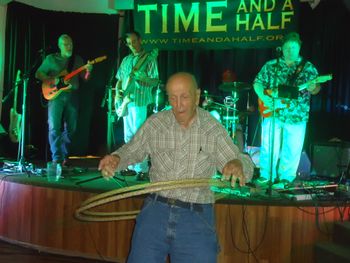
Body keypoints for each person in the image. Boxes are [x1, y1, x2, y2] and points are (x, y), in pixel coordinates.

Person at [99, 72, 254, 262]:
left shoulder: (211, 128)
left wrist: (237, 165)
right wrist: (116, 158)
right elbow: (132, 150)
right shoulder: (156, 123)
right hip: (155, 211)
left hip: (196, 218)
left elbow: (242, 161)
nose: (178, 105)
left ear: (197, 96)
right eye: (172, 98)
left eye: (184, 97)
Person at [253, 32, 320, 189]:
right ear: (281, 48)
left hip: (297, 115)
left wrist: (313, 87)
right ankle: (266, 176)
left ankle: (286, 178)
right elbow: (257, 83)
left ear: (299, 48)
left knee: (292, 147)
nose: (290, 50)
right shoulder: (271, 65)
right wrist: (264, 97)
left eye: (294, 47)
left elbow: (316, 89)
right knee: (269, 145)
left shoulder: (308, 67)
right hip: (273, 112)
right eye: (287, 47)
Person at [35, 34, 92, 165]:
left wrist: (88, 70)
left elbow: (85, 78)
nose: (69, 46)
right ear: (59, 46)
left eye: (71, 44)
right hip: (55, 96)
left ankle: (64, 154)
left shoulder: (77, 60)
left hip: (72, 96)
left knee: (72, 128)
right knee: (54, 126)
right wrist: (51, 80)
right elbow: (38, 73)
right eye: (66, 44)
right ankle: (57, 158)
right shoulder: (51, 59)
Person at [114, 31, 159, 178]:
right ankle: (130, 166)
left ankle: (142, 169)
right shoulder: (126, 60)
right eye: (129, 43)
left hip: (139, 101)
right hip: (126, 101)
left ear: (140, 41)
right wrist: (117, 93)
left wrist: (144, 78)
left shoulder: (149, 58)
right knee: (128, 136)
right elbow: (119, 79)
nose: (132, 45)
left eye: (134, 41)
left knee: (138, 135)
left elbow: (155, 81)